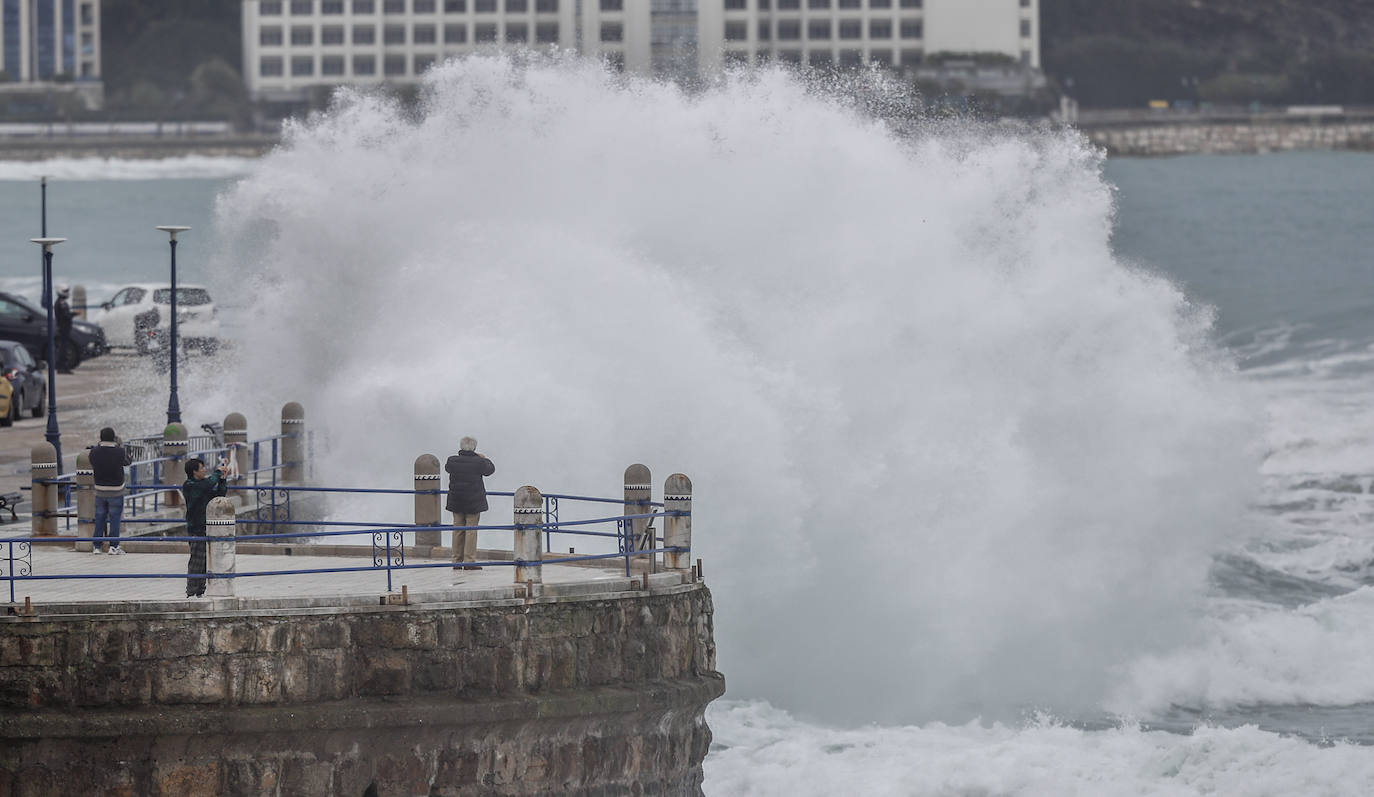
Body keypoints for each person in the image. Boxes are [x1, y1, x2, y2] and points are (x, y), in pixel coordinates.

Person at [181, 457, 229, 597]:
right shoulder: (189, 485)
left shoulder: (202, 484)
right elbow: (206, 485)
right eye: (202, 468)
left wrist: (222, 480)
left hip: (207, 527)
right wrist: (218, 472)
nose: (204, 470)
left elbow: (218, 495)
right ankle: (191, 592)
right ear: (194, 472)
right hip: (196, 528)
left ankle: (200, 592)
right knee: (196, 560)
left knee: (204, 562)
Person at [445, 436, 494, 570]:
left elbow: (447, 468)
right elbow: (490, 470)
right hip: (473, 502)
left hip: (456, 501)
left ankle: (456, 561)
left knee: (457, 530)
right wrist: (484, 458)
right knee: (471, 531)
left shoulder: (452, 461)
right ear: (475, 448)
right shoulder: (479, 462)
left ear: (461, 447)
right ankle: (469, 561)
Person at [88, 427, 133, 555]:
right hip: (116, 490)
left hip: (100, 490)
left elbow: (92, 461)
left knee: (99, 518)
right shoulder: (120, 452)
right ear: (113, 438)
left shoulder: (94, 452)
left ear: (101, 438)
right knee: (114, 519)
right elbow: (128, 461)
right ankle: (113, 547)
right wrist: (120, 446)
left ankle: (97, 546)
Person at [54, 286, 74, 373]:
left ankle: (62, 367)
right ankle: (62, 367)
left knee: (63, 348)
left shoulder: (60, 302)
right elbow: (65, 316)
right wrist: (73, 314)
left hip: (63, 328)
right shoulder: (61, 303)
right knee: (63, 349)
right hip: (63, 328)